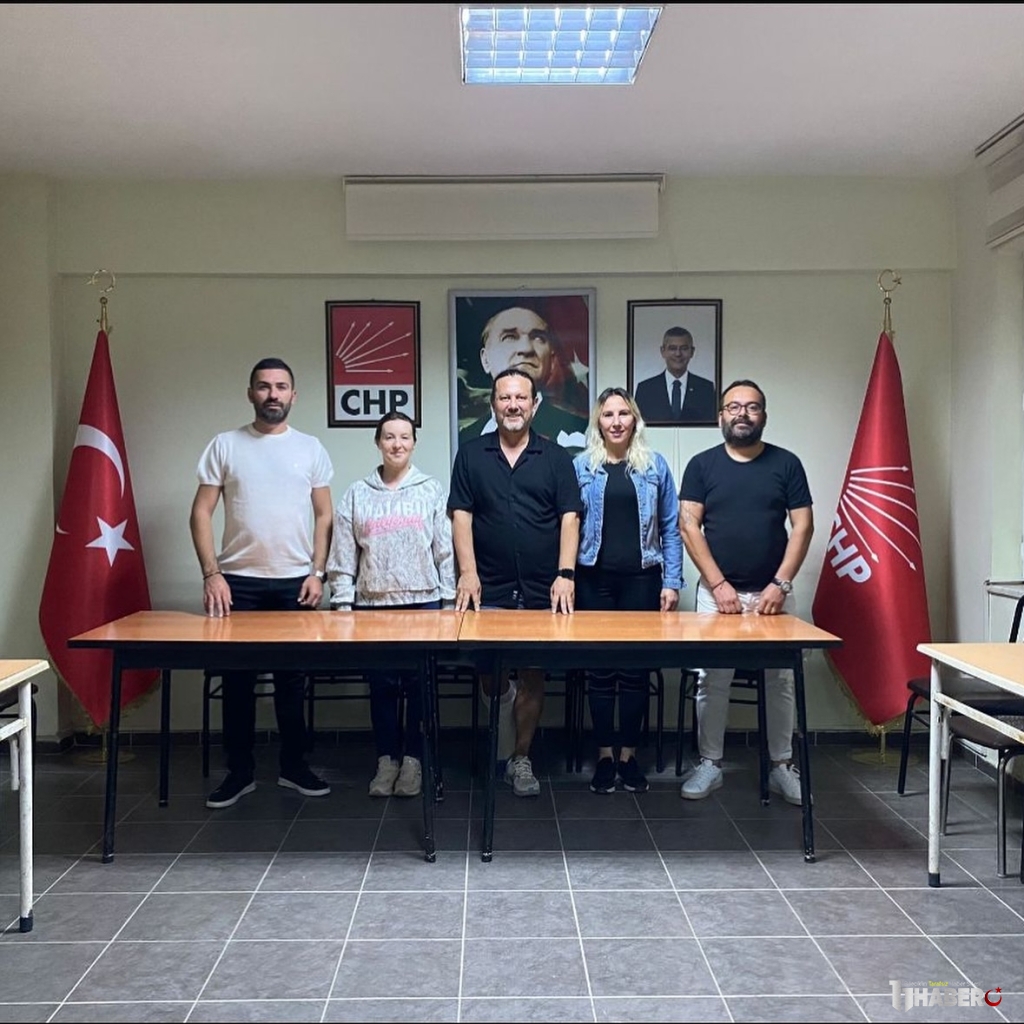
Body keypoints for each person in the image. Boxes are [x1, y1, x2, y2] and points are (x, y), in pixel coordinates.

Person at [190, 357, 334, 809]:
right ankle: (239, 773)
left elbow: (325, 515)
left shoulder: (311, 448)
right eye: (265, 386)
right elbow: (200, 513)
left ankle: (294, 767)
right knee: (238, 682)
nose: (273, 394)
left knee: (292, 681)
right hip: (238, 584)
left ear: (294, 395)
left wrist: (317, 572)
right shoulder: (225, 445)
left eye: (281, 386)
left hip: (296, 583)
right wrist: (212, 573)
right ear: (251, 393)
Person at [448, 366, 583, 796]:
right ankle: (502, 748)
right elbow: (461, 515)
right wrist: (468, 572)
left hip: (543, 588)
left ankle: (520, 758)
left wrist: (565, 574)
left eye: (521, 397)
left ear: (535, 405)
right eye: (504, 398)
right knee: (491, 674)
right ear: (493, 405)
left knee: (533, 674)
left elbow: (570, 517)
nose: (513, 405)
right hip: (488, 586)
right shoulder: (471, 455)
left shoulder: (556, 458)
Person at [678, 379, 814, 804]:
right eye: (734, 406)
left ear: (763, 416)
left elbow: (803, 526)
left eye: (752, 407)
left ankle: (781, 766)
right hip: (716, 595)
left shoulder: (786, 464)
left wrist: (780, 584)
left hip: (774, 596)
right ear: (721, 415)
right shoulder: (702, 465)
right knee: (712, 679)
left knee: (781, 681)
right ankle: (710, 764)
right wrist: (719, 585)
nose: (742, 413)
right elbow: (688, 526)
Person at [326, 411, 455, 798]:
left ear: (414, 443)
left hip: (424, 604)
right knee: (381, 687)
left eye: (404, 437)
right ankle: (387, 760)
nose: (397, 444)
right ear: (378, 442)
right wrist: (343, 606)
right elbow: (343, 557)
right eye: (389, 437)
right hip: (372, 607)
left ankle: (413, 761)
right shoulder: (357, 493)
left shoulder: (431, 490)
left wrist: (449, 604)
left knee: (420, 688)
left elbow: (445, 552)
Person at [573, 387, 683, 794]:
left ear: (634, 420)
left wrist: (671, 581)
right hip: (593, 580)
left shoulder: (654, 466)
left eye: (623, 413)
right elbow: (568, 525)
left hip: (642, 580)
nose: (616, 421)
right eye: (608, 414)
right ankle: (605, 756)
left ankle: (629, 757)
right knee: (600, 672)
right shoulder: (581, 466)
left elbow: (671, 527)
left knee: (635, 671)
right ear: (598, 422)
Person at [459, 304, 589, 450]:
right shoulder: (466, 438)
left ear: (552, 360)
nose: (526, 348)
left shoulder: (581, 431)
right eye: (509, 337)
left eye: (538, 338)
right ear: (485, 360)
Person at [634, 327, 717, 424]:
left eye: (684, 348)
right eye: (672, 348)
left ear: (692, 352)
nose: (678, 354)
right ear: (663, 351)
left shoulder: (706, 389)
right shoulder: (645, 389)